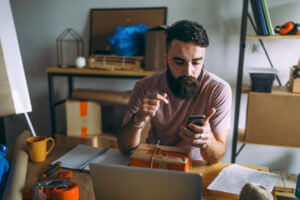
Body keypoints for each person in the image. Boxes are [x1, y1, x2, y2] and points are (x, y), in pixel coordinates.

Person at [118, 20, 232, 164]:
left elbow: (215, 158)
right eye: (179, 62)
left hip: (195, 165)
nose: (188, 72)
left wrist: (208, 140)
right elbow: (124, 148)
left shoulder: (218, 90)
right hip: (156, 162)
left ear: (203, 58)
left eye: (196, 62)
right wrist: (138, 118)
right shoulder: (145, 86)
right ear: (166, 58)